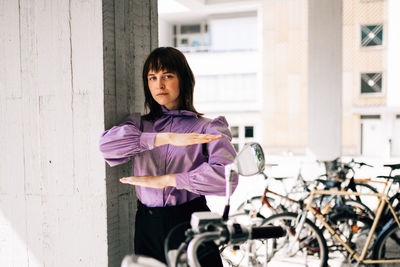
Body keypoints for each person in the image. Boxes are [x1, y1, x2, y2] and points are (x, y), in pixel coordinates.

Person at [99, 47, 238, 266]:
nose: (159, 84)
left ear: (183, 80)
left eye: (167, 76)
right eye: (152, 77)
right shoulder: (139, 125)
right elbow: (107, 147)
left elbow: (226, 178)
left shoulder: (207, 128)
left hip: (189, 221)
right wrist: (166, 138)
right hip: (147, 224)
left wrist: (168, 180)